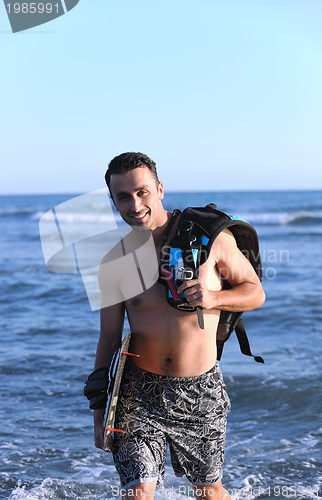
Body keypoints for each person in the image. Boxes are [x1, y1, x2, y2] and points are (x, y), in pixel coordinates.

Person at [92, 152, 265, 500]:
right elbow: (109, 338)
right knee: (136, 494)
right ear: (113, 202)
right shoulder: (113, 263)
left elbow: (254, 292)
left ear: (159, 189)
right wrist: (99, 411)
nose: (135, 204)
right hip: (138, 393)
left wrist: (213, 299)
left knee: (208, 493)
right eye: (123, 197)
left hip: (199, 390)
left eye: (142, 192)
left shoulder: (209, 240)